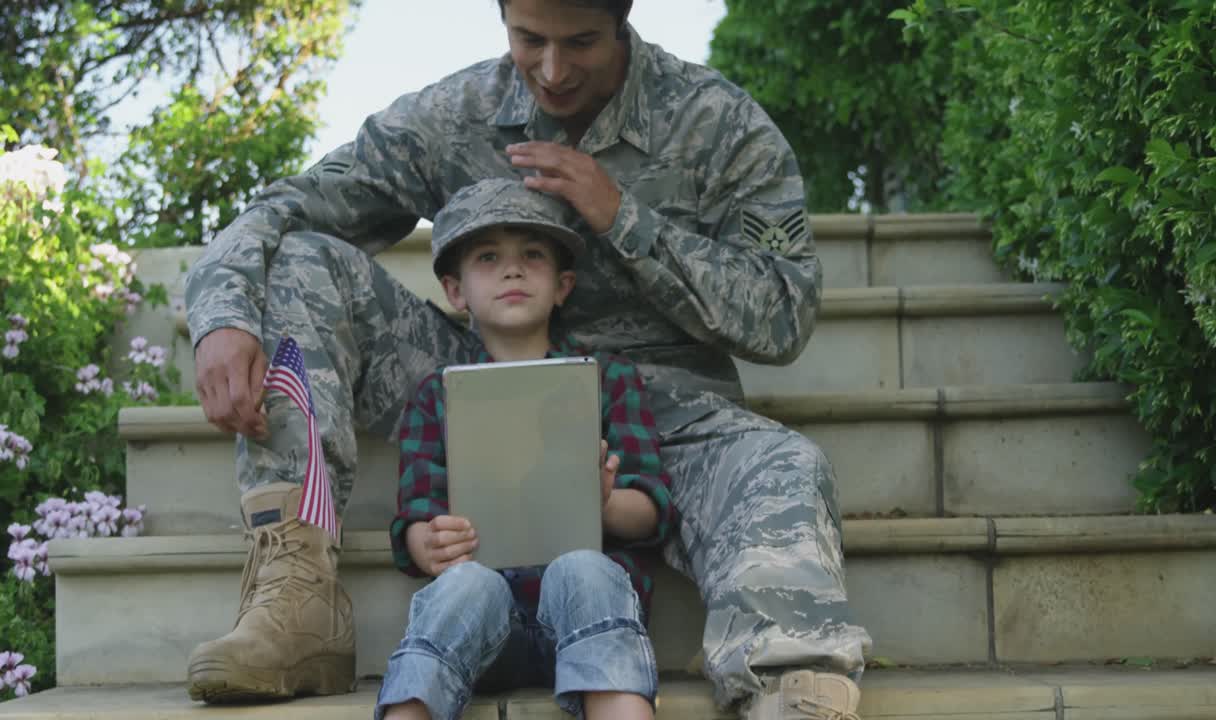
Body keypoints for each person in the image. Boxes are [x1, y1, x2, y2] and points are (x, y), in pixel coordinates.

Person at [184, 0, 872, 717]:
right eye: (528, 40)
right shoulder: (457, 114)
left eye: (580, 43)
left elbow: (785, 314)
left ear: (623, 18)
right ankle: (296, 603)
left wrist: (623, 219)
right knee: (297, 261)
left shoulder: (718, 124)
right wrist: (224, 315)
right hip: (481, 384)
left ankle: (790, 683)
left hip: (665, 411)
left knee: (784, 464)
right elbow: (289, 208)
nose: (551, 69)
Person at [378, 178, 676, 720]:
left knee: (585, 567)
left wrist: (603, 502)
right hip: (485, 627)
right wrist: (432, 546)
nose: (512, 270)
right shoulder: (437, 396)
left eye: (531, 255)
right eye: (488, 257)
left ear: (563, 286)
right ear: (455, 290)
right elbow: (417, 522)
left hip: (587, 615)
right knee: (466, 583)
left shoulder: (607, 380)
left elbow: (651, 511)